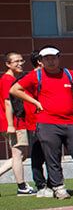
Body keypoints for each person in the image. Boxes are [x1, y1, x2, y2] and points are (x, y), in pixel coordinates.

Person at [10, 46, 73, 199]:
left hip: (72, 122)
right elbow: (15, 90)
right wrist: (35, 102)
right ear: (40, 61)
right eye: (47, 59)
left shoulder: (67, 73)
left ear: (58, 58)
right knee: (52, 157)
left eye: (53, 58)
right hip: (47, 122)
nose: (51, 61)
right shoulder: (36, 75)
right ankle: (59, 188)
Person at [0, 51, 36, 195]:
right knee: (18, 155)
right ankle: (21, 186)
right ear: (7, 64)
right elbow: (8, 103)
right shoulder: (7, 80)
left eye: (21, 61)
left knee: (21, 155)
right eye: (16, 61)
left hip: (17, 121)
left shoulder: (14, 78)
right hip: (14, 122)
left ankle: (22, 185)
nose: (20, 64)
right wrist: (11, 125)